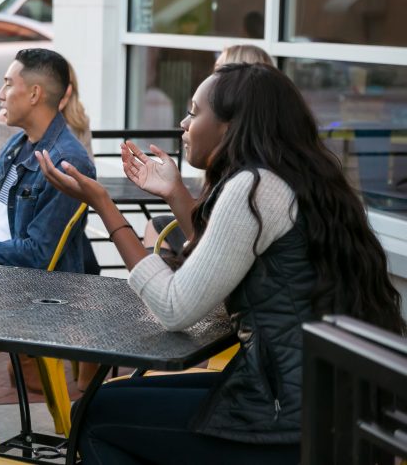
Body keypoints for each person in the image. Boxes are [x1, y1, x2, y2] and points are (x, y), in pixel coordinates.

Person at [36, 63, 405, 464]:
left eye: (194, 112)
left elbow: (175, 307)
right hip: (333, 405)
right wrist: (176, 193)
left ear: (230, 127)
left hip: (292, 419)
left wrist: (104, 206)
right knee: (107, 398)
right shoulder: (295, 178)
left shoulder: (254, 187)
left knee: (95, 415)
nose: (183, 121)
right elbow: (222, 267)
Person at [0, 48, 98, 274]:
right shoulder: (19, 144)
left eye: (8, 84)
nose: (0, 94)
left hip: (11, 281)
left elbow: (38, 254)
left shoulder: (67, 162)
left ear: (34, 94)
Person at [144, 43, 275, 255]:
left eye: (219, 74)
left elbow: (210, 251)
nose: (184, 123)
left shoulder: (248, 181)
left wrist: (105, 207)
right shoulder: (256, 162)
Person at [0, 56, 93, 172]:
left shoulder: (78, 121)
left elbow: (86, 175)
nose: (1, 95)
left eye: (64, 85)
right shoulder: (10, 120)